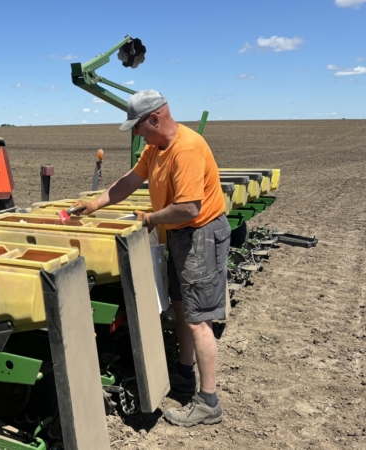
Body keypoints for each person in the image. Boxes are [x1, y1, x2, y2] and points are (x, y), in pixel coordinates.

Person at [71, 89, 230, 427]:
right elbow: (131, 180)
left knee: (199, 318)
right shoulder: (155, 148)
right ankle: (185, 374)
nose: (136, 133)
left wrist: (150, 219)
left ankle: (209, 402)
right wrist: (95, 204)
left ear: (155, 119)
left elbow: (189, 207)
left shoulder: (184, 149)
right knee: (182, 307)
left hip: (199, 234)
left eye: (138, 127)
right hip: (181, 233)